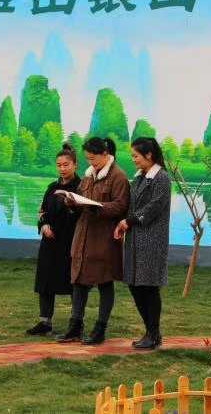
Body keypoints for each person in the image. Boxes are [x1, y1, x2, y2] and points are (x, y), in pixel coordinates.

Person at [56, 137, 130, 345]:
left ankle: (100, 329)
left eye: (93, 159)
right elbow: (81, 198)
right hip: (83, 235)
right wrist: (72, 202)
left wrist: (98, 207)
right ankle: (75, 327)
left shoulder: (118, 176)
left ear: (105, 154)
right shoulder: (88, 176)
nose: (91, 163)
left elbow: (121, 206)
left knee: (105, 282)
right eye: (88, 159)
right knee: (79, 281)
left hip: (104, 238)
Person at [115, 137, 171, 350]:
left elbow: (154, 206)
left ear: (149, 155)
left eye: (136, 156)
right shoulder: (139, 178)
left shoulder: (162, 178)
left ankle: (153, 334)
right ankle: (151, 332)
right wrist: (122, 223)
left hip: (152, 240)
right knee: (134, 284)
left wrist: (129, 221)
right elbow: (131, 206)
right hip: (135, 239)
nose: (133, 159)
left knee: (148, 287)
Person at [26, 144, 81, 336]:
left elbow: (84, 215)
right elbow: (42, 211)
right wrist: (44, 225)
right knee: (45, 281)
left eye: (66, 165)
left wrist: (71, 207)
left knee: (73, 283)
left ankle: (76, 323)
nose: (62, 169)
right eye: (59, 165)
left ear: (75, 165)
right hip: (49, 243)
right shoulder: (51, 188)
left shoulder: (81, 188)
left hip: (70, 241)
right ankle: (45, 322)